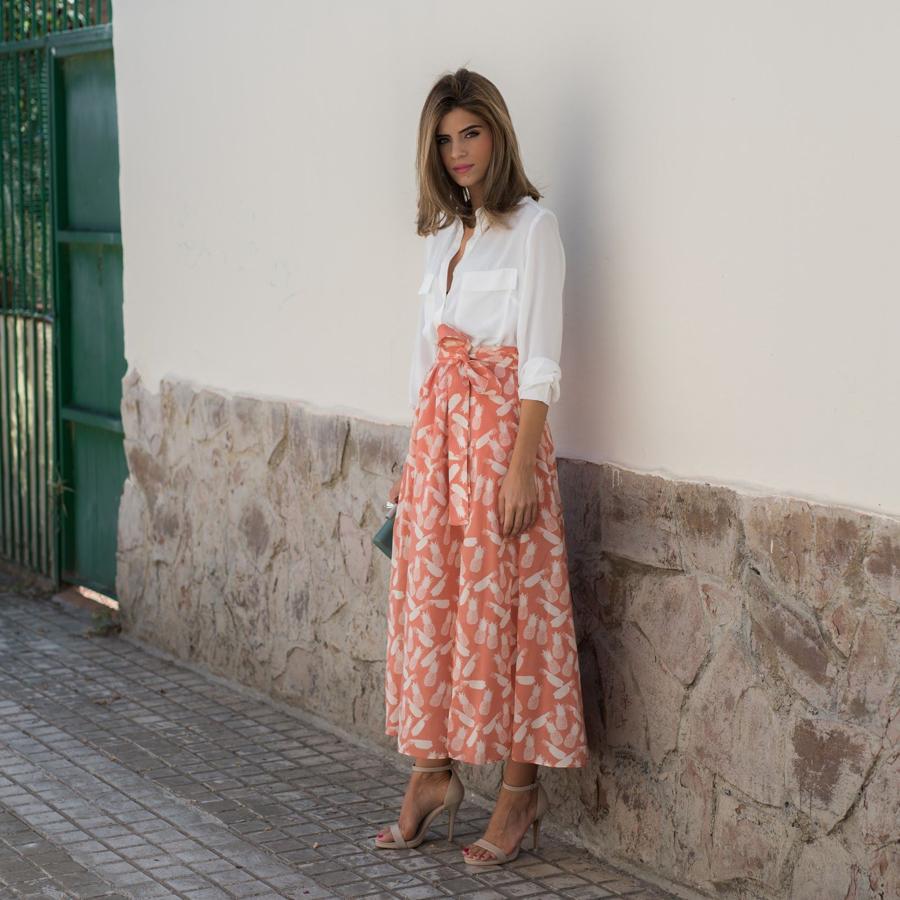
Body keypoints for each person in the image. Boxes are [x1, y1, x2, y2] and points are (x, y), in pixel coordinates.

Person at [375, 67, 589, 868]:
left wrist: (523, 468)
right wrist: (412, 463)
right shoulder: (442, 237)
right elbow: (425, 359)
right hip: (437, 444)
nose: (458, 152)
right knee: (433, 610)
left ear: (496, 133)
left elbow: (540, 358)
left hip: (503, 440)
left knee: (512, 617)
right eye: (444, 139)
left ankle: (519, 790)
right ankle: (432, 774)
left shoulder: (535, 228)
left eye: (470, 133)